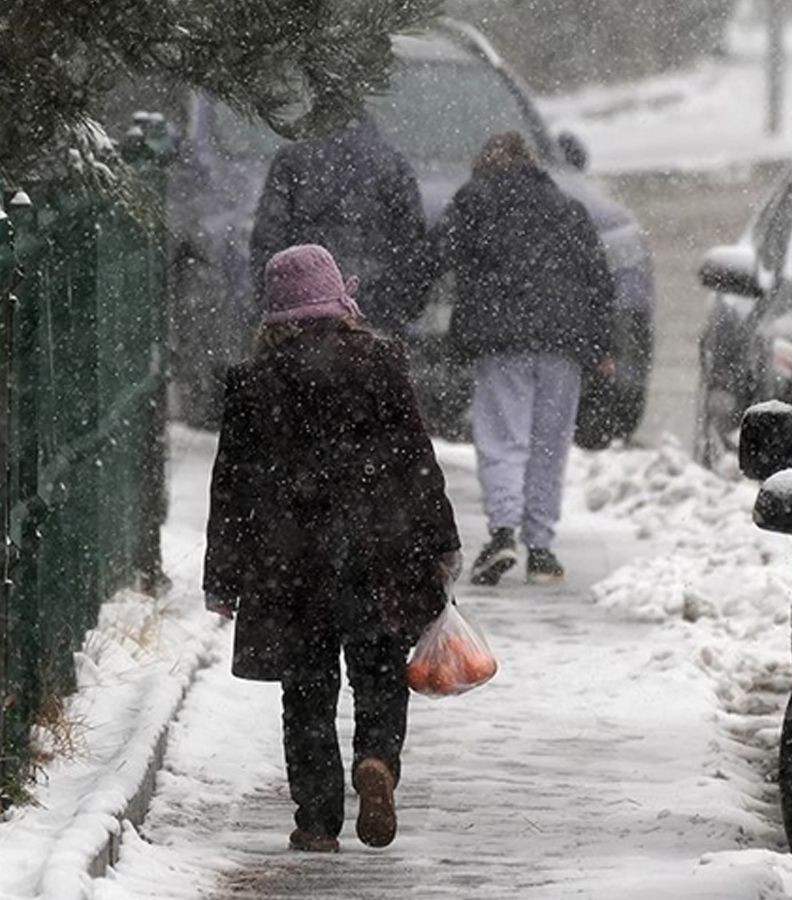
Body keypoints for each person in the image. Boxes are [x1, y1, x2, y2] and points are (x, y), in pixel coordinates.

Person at [203, 244, 461, 853]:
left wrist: (223, 574)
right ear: (339, 300)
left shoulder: (253, 382)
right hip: (377, 551)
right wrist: (440, 541)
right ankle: (376, 759)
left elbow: (231, 485)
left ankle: (317, 820)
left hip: (289, 561)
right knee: (378, 672)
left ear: (274, 311)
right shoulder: (380, 363)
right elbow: (416, 461)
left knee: (307, 689)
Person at [424, 132, 618, 587]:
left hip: (501, 338)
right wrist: (604, 344)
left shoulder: (475, 200)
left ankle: (504, 532)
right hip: (564, 341)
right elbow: (598, 280)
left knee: (503, 440)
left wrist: (402, 304)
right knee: (549, 445)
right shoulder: (567, 207)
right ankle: (543, 549)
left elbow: (435, 256)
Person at [250, 113, 428, 330]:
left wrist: (271, 300)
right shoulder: (393, 162)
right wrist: (406, 304)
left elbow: (268, 235)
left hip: (306, 304)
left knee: (312, 360)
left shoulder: (292, 159)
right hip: (377, 301)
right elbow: (413, 240)